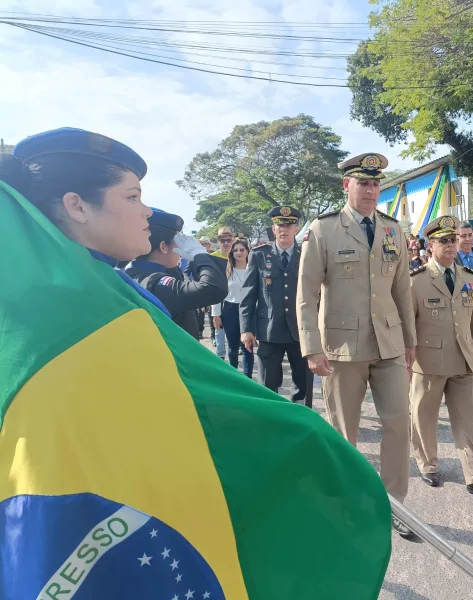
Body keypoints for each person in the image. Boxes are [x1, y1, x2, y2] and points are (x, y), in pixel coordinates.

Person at [2, 129, 394, 596]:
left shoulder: (80, 288)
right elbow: (194, 400)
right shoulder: (89, 309)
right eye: (132, 196)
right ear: (77, 205)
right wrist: (302, 435)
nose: (147, 211)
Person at [297, 152, 417, 538]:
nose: (370, 190)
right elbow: (307, 292)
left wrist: (410, 342)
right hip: (341, 347)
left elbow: (402, 289)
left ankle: (394, 503)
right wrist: (311, 346)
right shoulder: (324, 229)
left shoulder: (393, 230)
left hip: (389, 343)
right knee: (344, 431)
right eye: (363, 183)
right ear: (346, 185)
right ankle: (346, 502)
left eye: (375, 183)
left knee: (399, 423)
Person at [409, 216, 473, 498]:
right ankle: (427, 465)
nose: (451, 245)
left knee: (469, 420)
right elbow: (408, 325)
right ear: (431, 245)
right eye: (444, 241)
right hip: (428, 363)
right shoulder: (415, 281)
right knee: (424, 417)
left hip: (465, 360)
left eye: (453, 240)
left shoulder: (469, 278)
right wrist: (407, 358)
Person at [240, 206, 314, 405]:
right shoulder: (259, 255)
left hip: (300, 329)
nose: (284, 229)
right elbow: (248, 294)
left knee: (303, 383)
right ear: (273, 229)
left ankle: (300, 423)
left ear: (296, 228)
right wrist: (246, 329)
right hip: (269, 330)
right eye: (279, 224)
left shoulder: (307, 254)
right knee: (267, 385)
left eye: (289, 225)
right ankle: (271, 423)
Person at [125, 209, 228, 339]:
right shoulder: (152, 282)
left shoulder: (150, 270)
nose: (182, 249)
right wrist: (200, 255)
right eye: (178, 241)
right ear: (163, 247)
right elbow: (213, 289)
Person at [210, 239, 254, 376]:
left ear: (247, 251)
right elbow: (218, 294)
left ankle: (247, 378)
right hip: (230, 310)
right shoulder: (227, 270)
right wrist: (215, 315)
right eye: (235, 250)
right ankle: (234, 373)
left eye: (242, 249)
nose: (239, 253)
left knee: (248, 346)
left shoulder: (253, 269)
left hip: (248, 310)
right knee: (233, 347)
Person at [210, 226, 235, 359]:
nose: (226, 243)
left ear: (233, 239)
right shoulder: (212, 257)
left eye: (228, 239)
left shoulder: (239, 255)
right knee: (219, 333)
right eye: (222, 240)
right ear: (218, 242)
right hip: (218, 301)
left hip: (236, 303)